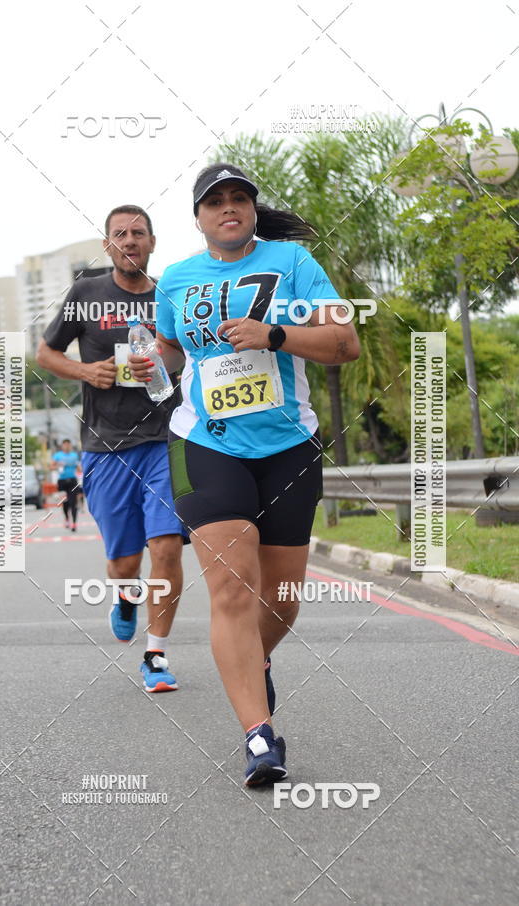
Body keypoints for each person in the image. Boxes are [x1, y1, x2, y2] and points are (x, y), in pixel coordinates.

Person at [129, 163, 360, 784]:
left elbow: (346, 341)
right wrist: (154, 356)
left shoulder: (295, 263)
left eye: (239, 199)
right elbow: (174, 353)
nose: (228, 208)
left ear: (252, 210)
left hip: (288, 445)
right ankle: (259, 738)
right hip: (206, 442)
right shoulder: (176, 279)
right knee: (232, 588)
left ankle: (252, 663)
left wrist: (275, 334)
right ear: (199, 218)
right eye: (215, 202)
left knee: (282, 600)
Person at [36, 205, 188, 692]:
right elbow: (46, 352)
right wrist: (86, 371)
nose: (129, 240)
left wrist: (166, 362)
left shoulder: (170, 293)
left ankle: (156, 653)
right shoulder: (86, 293)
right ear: (108, 245)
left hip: (167, 439)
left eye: (138, 233)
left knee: (165, 546)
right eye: (120, 234)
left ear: (152, 242)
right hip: (105, 447)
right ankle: (125, 598)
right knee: (125, 564)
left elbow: (188, 351)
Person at [52, 438, 80, 531]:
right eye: (65, 445)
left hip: (72, 480)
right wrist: (58, 465)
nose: (67, 446)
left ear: (70, 446)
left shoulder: (74, 455)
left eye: (68, 444)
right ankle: (67, 519)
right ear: (62, 446)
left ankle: (74, 523)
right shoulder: (57, 456)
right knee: (65, 502)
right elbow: (51, 467)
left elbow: (79, 468)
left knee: (73, 503)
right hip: (62, 482)